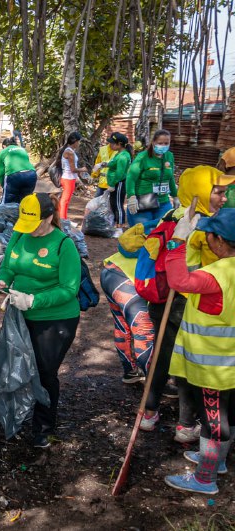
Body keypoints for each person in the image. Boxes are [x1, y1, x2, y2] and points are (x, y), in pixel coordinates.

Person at [138, 166, 234, 438]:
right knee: (188, 365)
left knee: (163, 356)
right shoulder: (203, 226)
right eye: (218, 192)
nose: (224, 198)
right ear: (200, 193)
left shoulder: (173, 214)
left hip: (165, 299)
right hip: (187, 302)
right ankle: (186, 425)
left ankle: (150, 410)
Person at [0, 193, 81, 447]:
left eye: (35, 225)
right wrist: (3, 279)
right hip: (20, 315)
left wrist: (33, 300)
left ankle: (44, 426)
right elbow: (10, 265)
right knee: (12, 361)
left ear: (49, 217)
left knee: (45, 372)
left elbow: (69, 289)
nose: (29, 231)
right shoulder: (20, 234)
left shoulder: (63, 245)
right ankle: (6, 409)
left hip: (56, 320)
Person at [163, 208, 235, 495]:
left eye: (209, 235)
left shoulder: (217, 274)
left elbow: (179, 282)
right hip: (229, 362)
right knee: (228, 415)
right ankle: (216, 462)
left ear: (219, 239)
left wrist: (176, 244)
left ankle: (205, 478)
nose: (206, 238)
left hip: (213, 367)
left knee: (213, 422)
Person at [100, 231, 155, 384]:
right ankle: (154, 383)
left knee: (122, 325)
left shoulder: (165, 218)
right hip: (130, 280)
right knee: (144, 331)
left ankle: (130, 372)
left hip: (112, 269)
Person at [126, 128, 177, 226]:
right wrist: (131, 196)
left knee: (163, 231)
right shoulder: (143, 157)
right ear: (153, 142)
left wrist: (175, 196)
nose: (163, 146)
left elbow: (170, 177)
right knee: (143, 234)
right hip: (144, 201)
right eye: (160, 143)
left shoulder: (169, 156)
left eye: (166, 143)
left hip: (163, 202)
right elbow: (131, 177)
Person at [103, 132, 133, 229]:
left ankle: (120, 224)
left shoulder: (123, 156)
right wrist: (104, 164)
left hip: (119, 183)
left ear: (119, 144)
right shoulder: (119, 154)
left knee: (118, 203)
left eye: (112, 143)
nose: (110, 145)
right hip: (114, 183)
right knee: (113, 203)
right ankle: (116, 222)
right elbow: (112, 164)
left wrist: (112, 184)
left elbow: (119, 174)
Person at [57, 132, 88, 221]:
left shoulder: (69, 151)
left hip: (69, 178)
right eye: (79, 142)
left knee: (65, 200)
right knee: (65, 200)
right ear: (75, 142)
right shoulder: (69, 152)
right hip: (68, 179)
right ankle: (62, 219)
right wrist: (83, 169)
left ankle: (63, 218)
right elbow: (73, 169)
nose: (79, 144)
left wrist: (77, 177)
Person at [0, 137, 36, 204]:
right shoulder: (22, 149)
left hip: (14, 176)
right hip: (31, 174)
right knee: (26, 201)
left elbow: (0, 172)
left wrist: (4, 185)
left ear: (4, 146)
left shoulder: (3, 151)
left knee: (7, 203)